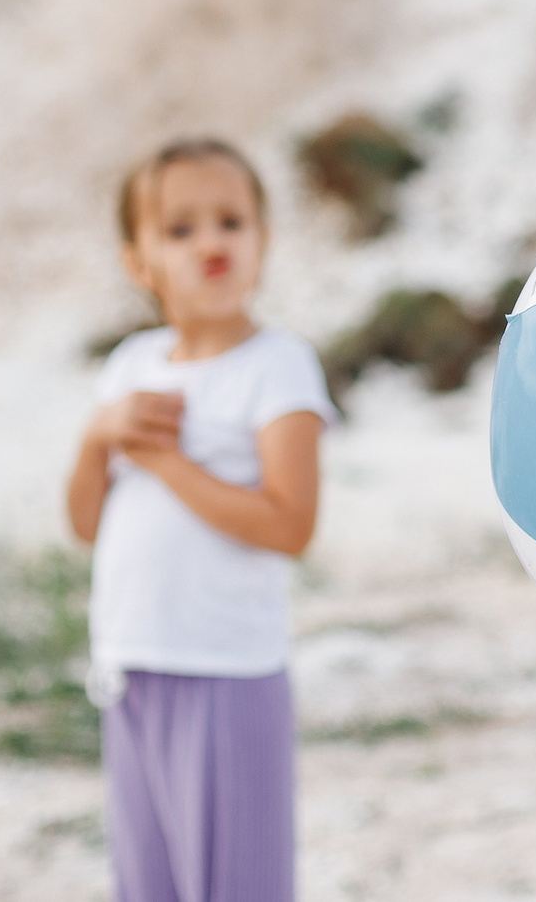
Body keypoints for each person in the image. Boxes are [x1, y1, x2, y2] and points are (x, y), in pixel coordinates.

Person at [67, 137, 335, 902]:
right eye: (180, 229)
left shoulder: (277, 365)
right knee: (149, 880)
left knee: (235, 881)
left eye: (231, 220)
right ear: (138, 261)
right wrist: (96, 438)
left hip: (226, 665)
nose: (211, 241)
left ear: (264, 240)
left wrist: (167, 463)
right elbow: (86, 522)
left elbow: (290, 524)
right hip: (132, 660)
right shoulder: (129, 366)